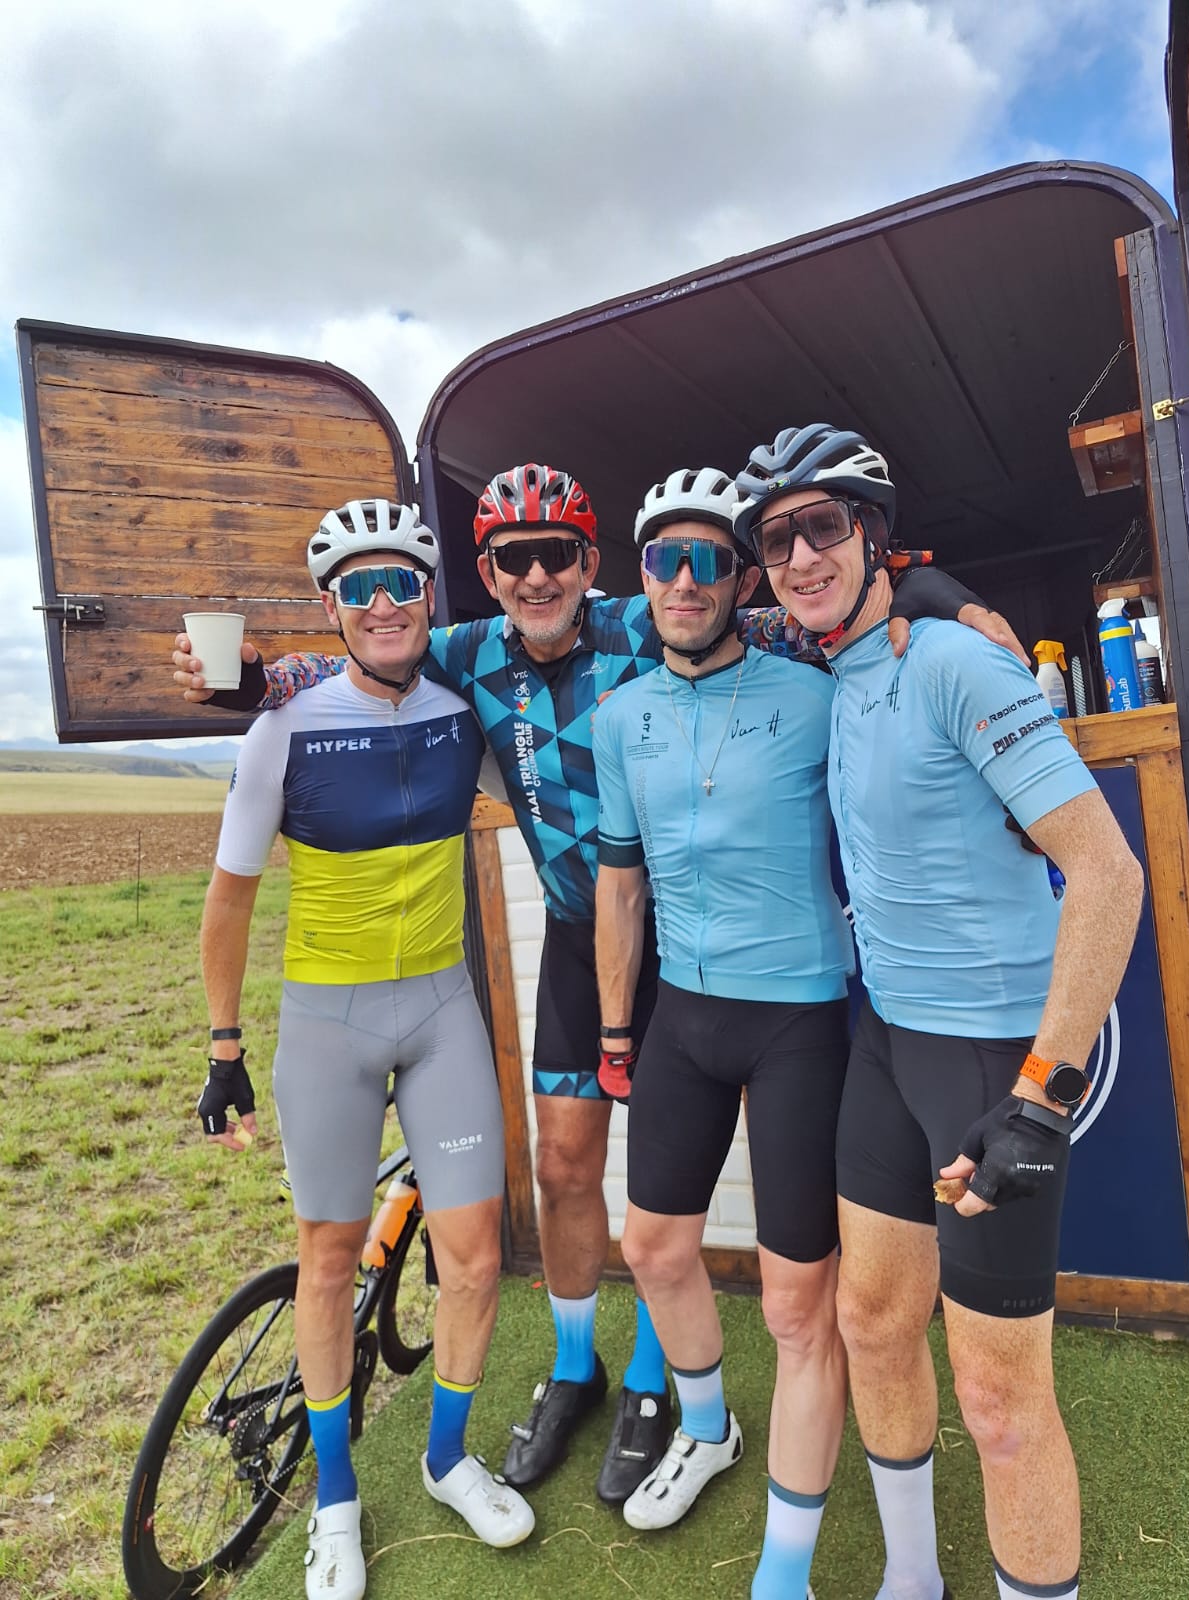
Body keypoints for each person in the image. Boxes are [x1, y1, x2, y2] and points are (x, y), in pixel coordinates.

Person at [175, 463, 1020, 1507]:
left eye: (557, 555)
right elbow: (355, 650)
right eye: (512, 560)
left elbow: (831, 612)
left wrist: (946, 598)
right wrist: (251, 670)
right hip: (588, 935)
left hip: (698, 944)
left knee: (671, 1185)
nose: (537, 577)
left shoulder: (661, 607)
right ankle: (576, 1365)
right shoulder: (461, 650)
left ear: (591, 563)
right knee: (568, 1162)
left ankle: (657, 1387)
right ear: (481, 574)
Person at [732, 425, 1143, 1600]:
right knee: (868, 1320)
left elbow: (1110, 874)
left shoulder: (956, 662)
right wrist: (936, 585)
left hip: (990, 1059)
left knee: (1001, 1399)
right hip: (886, 1041)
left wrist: (1041, 1093)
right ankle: (911, 1579)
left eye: (824, 525)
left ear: (870, 533)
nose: (801, 553)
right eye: (779, 536)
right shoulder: (827, 662)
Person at [198, 499, 534, 1600]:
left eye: (402, 582)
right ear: (331, 607)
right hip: (326, 1022)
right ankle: (335, 1495)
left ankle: (444, 1456)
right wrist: (223, 1044)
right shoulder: (283, 728)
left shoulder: (463, 714)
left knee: (476, 1253)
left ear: (432, 596)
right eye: (358, 587)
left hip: (441, 1011)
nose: (383, 603)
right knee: (330, 1258)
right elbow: (230, 899)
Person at [593, 468, 853, 1598]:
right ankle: (710, 1428)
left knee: (801, 1304)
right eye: (666, 560)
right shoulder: (621, 716)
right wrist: (615, 1031)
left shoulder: (814, 694)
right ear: (642, 578)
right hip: (681, 1017)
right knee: (652, 1245)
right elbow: (620, 886)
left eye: (710, 560)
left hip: (801, 1015)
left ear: (744, 579)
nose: (686, 580)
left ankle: (784, 1572)